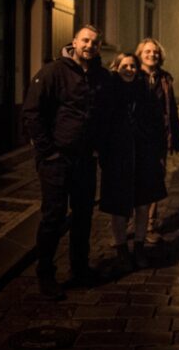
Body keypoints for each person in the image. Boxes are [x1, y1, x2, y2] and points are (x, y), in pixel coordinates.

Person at [22, 25, 113, 300]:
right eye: (85, 40)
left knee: (84, 216)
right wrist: (48, 151)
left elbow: (105, 112)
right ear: (74, 42)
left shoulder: (100, 75)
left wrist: (100, 147)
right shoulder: (53, 72)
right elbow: (32, 112)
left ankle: (80, 267)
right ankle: (46, 273)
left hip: (85, 159)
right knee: (53, 216)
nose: (90, 46)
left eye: (95, 42)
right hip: (57, 160)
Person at [99, 53, 165, 272]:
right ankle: (121, 248)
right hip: (117, 157)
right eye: (124, 66)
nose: (129, 69)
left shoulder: (145, 92)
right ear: (116, 68)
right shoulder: (108, 92)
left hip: (144, 156)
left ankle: (138, 245)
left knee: (142, 203)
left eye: (133, 66)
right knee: (118, 206)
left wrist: (158, 151)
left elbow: (157, 123)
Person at [135, 38, 179, 245]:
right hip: (136, 139)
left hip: (159, 139)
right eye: (147, 51)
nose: (152, 55)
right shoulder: (132, 74)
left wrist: (177, 136)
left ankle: (149, 225)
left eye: (155, 52)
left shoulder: (165, 78)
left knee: (155, 182)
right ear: (140, 54)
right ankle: (131, 224)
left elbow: (171, 108)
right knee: (133, 181)